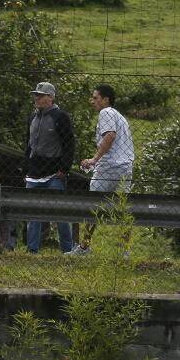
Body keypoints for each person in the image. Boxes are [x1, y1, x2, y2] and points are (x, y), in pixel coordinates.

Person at [67, 84, 135, 256]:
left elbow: (110, 135)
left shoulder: (106, 113)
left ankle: (84, 247)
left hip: (109, 166)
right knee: (123, 207)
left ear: (106, 100)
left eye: (96, 98)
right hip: (125, 166)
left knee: (94, 204)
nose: (93, 101)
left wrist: (94, 159)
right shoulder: (119, 116)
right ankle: (125, 251)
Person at [23, 82, 76, 253]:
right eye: (35, 95)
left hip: (54, 173)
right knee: (32, 213)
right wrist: (25, 169)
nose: (36, 98)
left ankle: (67, 250)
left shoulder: (61, 117)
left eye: (40, 95)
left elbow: (69, 144)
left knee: (59, 213)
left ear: (51, 97)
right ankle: (32, 249)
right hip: (34, 173)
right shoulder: (32, 117)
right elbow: (28, 145)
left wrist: (64, 169)